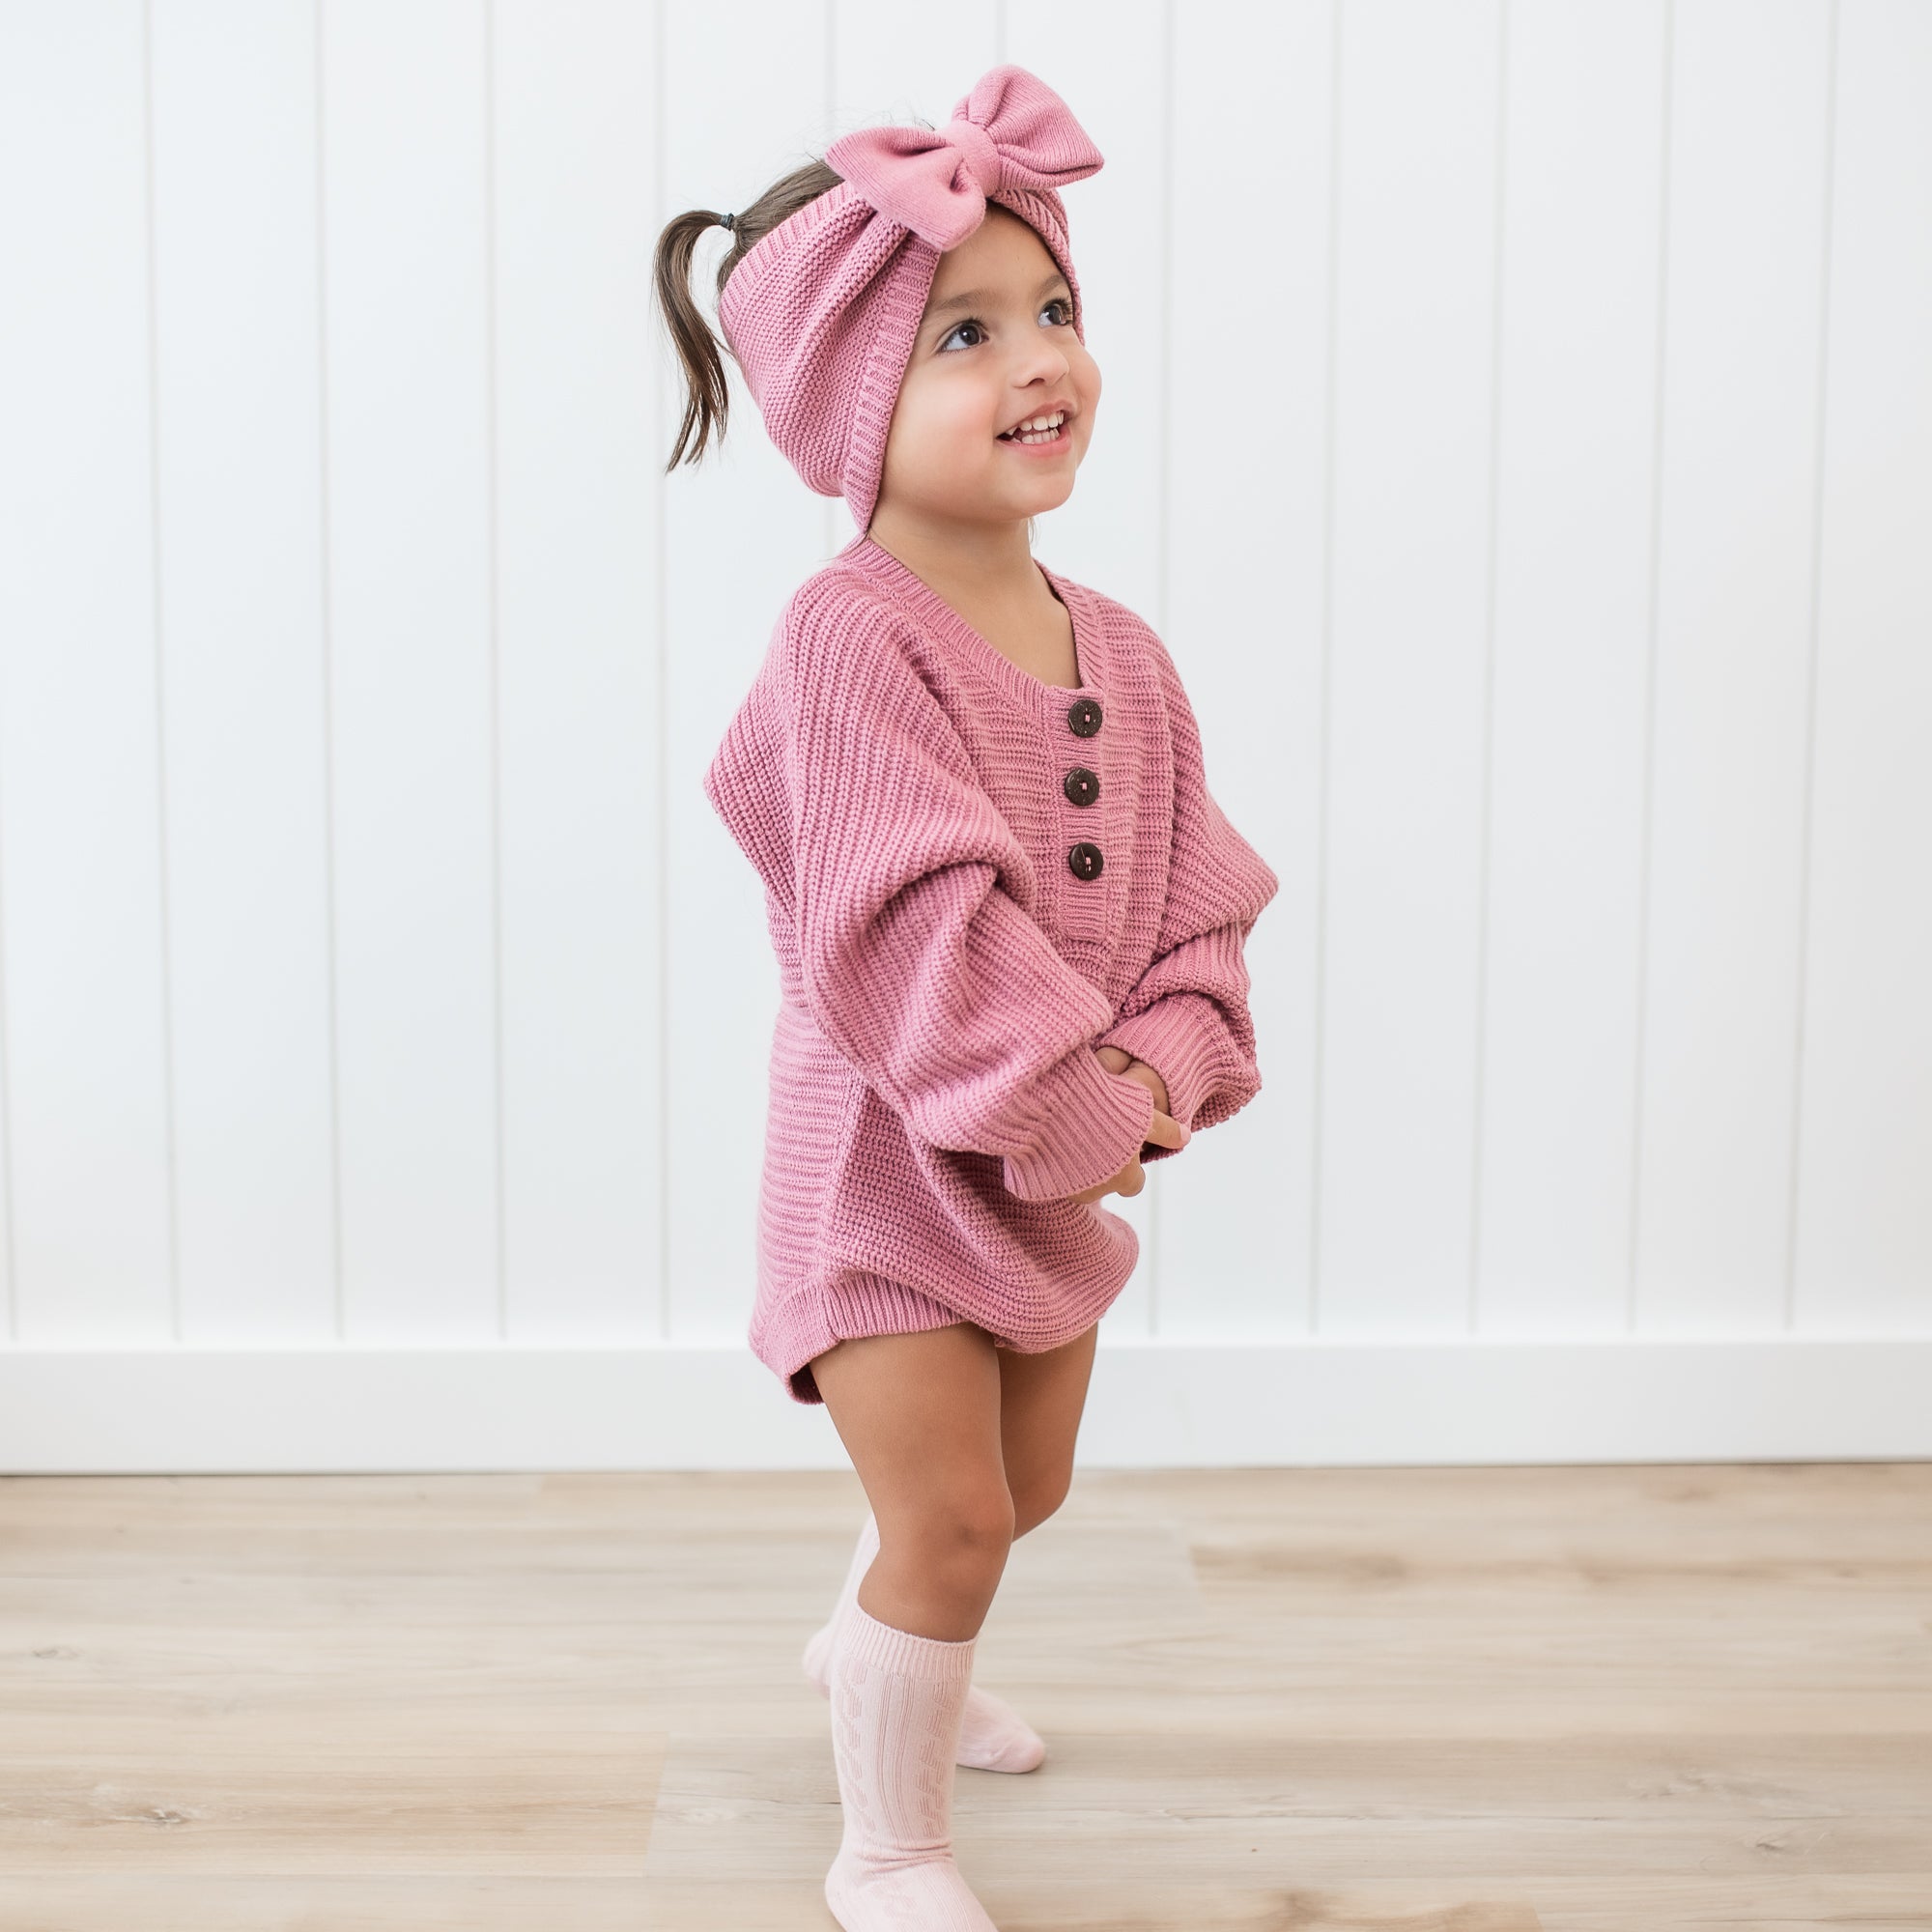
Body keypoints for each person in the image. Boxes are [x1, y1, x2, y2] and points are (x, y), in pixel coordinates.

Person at [650, 63, 1279, 1932]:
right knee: (954, 1520)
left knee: (1026, 1491)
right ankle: (886, 1844)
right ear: (851, 405)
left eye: (1054, 314)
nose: (1041, 363)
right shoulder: (848, 643)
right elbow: (913, 927)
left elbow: (1198, 902)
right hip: (890, 1176)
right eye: (964, 336)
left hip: (1057, 1163)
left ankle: (879, 1643)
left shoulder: (1124, 652)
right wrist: (1082, 1115)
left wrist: (1170, 1064)